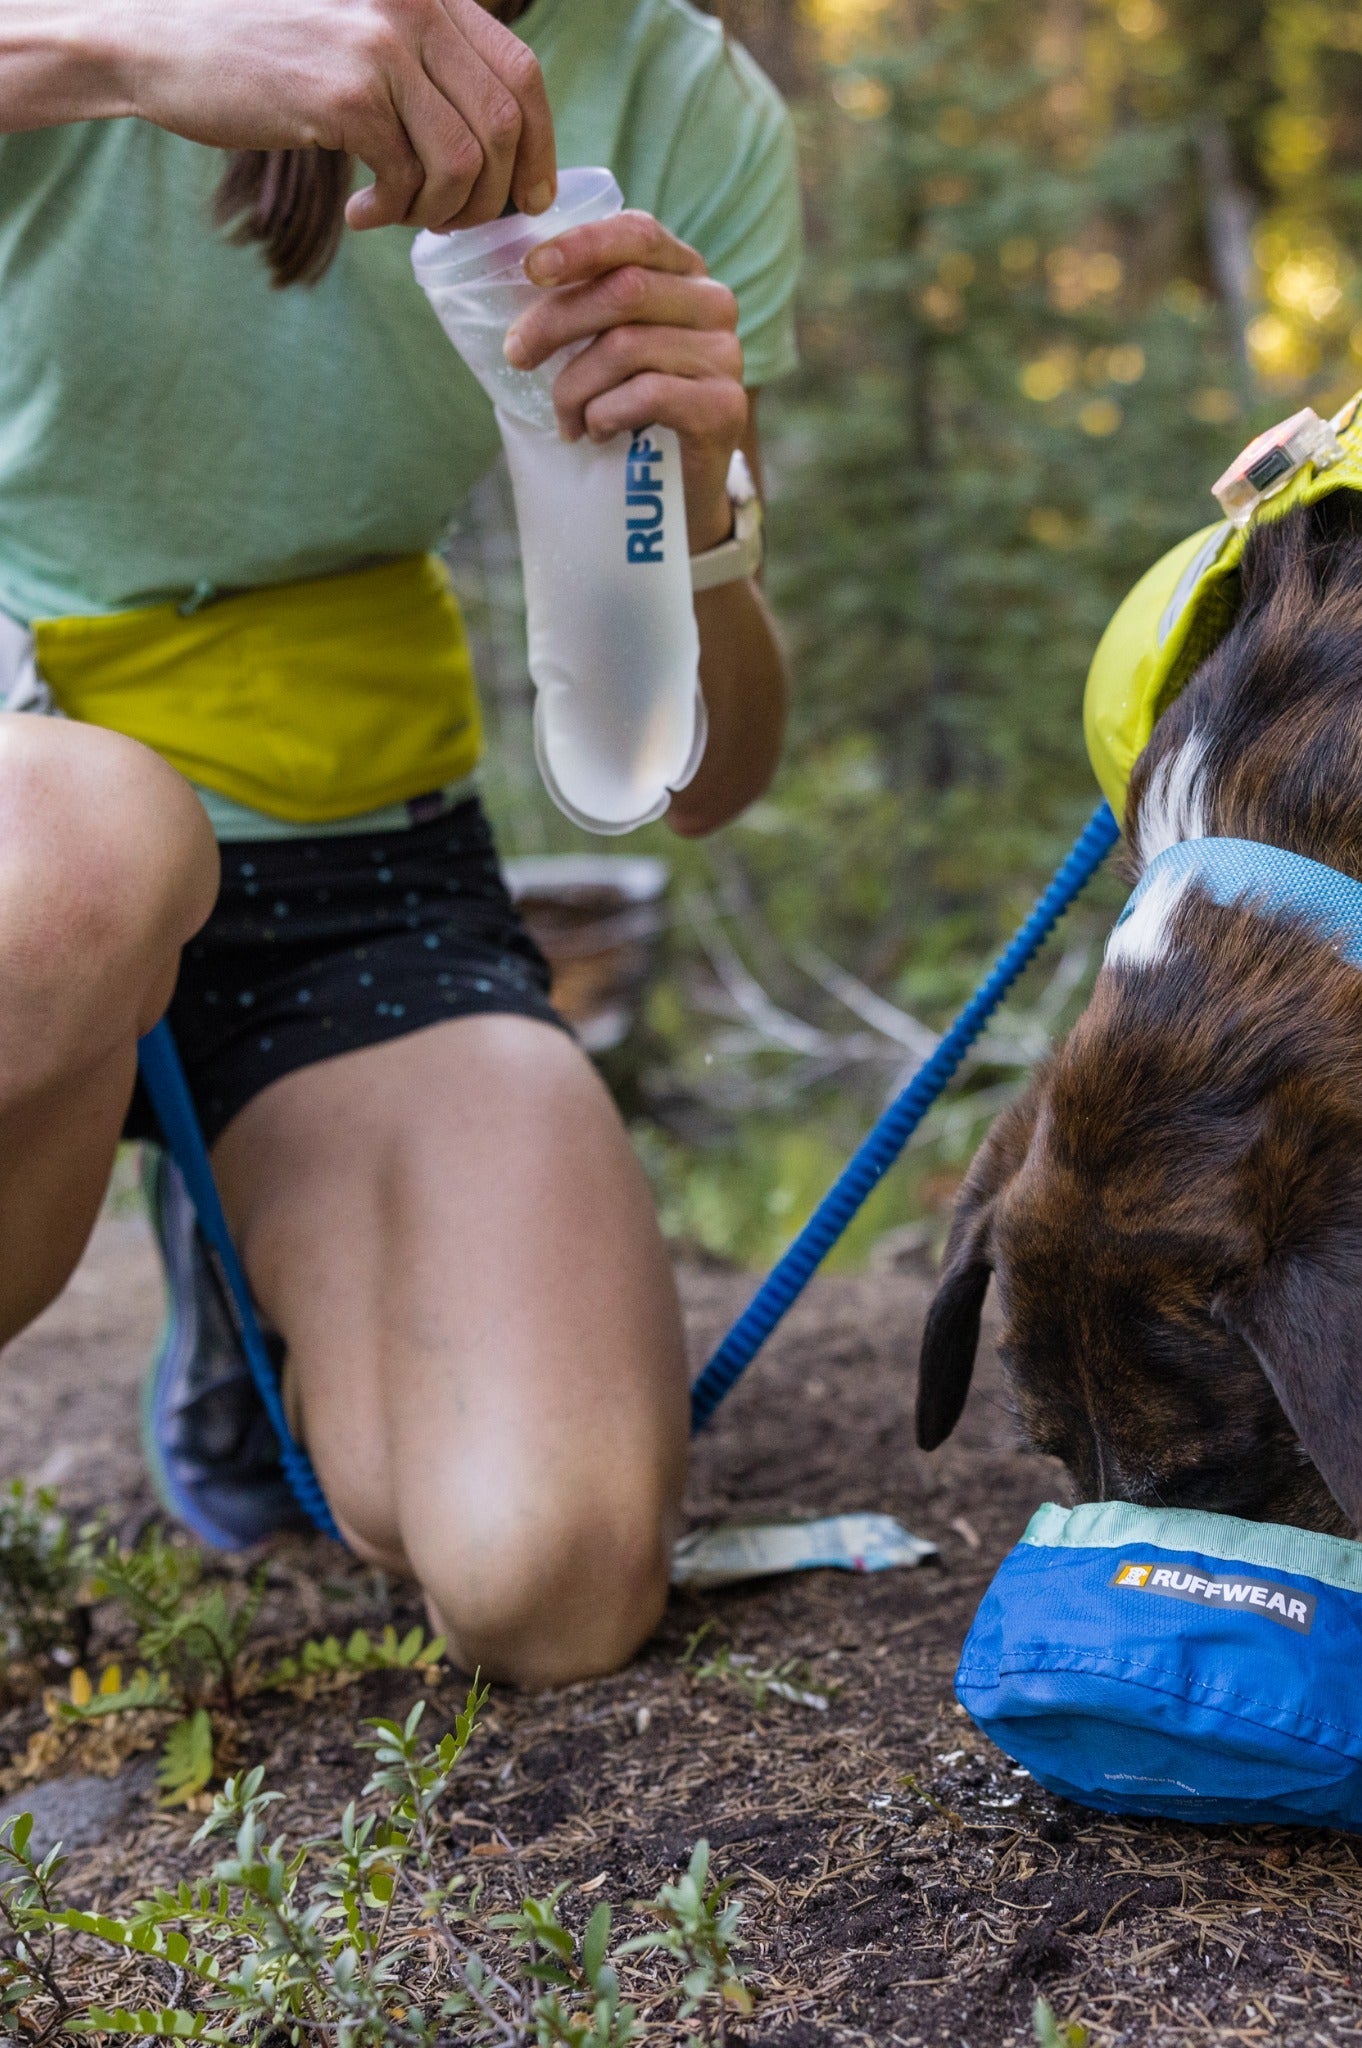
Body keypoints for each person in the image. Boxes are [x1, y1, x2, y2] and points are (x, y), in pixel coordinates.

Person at [0, 0, 798, 1686]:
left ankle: (259, 1283)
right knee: (86, 857)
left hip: (357, 855)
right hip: (32, 803)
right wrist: (124, 50)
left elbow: (711, 778)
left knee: (554, 1571)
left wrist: (698, 502)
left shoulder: (677, 90)